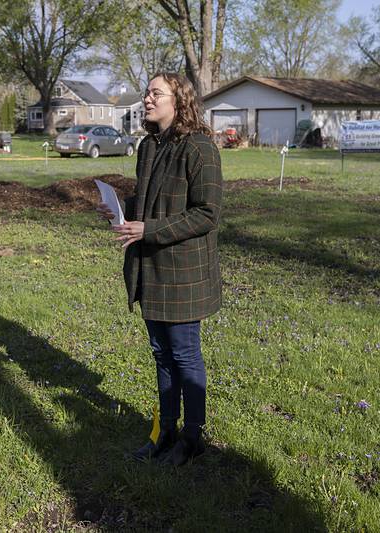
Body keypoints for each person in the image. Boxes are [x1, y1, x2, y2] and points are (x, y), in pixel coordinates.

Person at [98, 73, 223, 466]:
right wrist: (125, 209)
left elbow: (206, 214)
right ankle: (166, 431)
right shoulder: (149, 146)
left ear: (178, 100)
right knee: (161, 355)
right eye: (146, 93)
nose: (147, 99)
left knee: (185, 356)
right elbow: (153, 200)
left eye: (155, 93)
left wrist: (148, 228)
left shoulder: (200, 148)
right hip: (149, 267)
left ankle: (193, 438)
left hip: (183, 273)